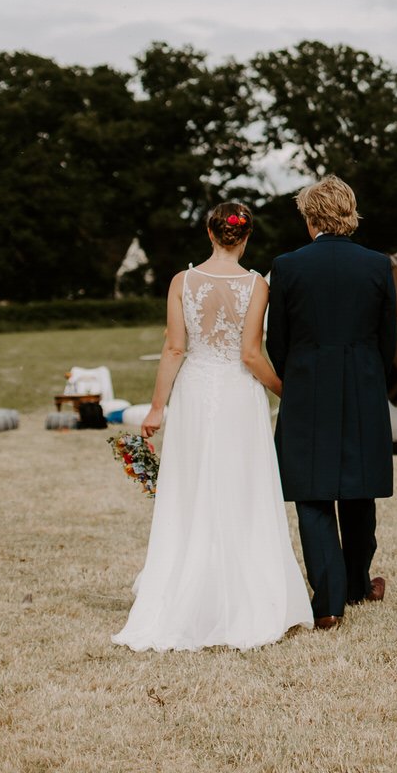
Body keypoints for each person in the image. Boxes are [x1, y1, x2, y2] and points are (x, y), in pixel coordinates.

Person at [114, 203, 313, 651]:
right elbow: (250, 354)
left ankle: (188, 594)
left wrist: (156, 408)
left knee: (191, 490)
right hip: (240, 396)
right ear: (245, 238)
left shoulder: (182, 282)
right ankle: (246, 597)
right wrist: (286, 391)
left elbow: (174, 348)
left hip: (195, 396)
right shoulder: (257, 284)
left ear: (210, 233)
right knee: (243, 489)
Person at [268, 176, 397, 631]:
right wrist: (370, 376)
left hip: (307, 387)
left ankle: (328, 603)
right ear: (349, 212)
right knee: (358, 488)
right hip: (362, 384)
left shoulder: (286, 266)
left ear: (310, 217)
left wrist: (301, 376)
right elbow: (389, 339)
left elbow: (276, 341)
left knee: (313, 494)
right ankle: (359, 584)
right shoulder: (377, 265)